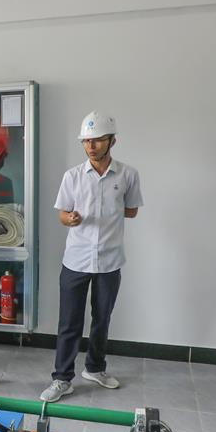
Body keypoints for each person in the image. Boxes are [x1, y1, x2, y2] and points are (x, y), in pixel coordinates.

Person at [39, 111, 143, 402]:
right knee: (69, 322)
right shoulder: (72, 176)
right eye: (86, 141)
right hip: (76, 259)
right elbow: (62, 213)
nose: (91, 146)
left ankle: (95, 368)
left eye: (97, 140)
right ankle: (62, 379)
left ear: (112, 141)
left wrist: (109, 211)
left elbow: (132, 210)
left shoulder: (128, 175)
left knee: (102, 319)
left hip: (110, 261)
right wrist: (69, 219)